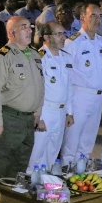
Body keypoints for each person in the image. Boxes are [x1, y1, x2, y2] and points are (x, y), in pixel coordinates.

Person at [0, 16, 45, 183]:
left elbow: (40, 85)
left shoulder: (33, 54)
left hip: (28, 120)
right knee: (2, 166)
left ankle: (13, 198)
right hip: (10, 119)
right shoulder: (3, 56)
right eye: (24, 27)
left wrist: (37, 112)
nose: (29, 31)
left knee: (20, 165)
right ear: (12, 33)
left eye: (30, 27)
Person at [60, 3, 102, 164]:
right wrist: (69, 108)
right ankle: (67, 170)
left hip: (97, 98)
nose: (97, 20)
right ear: (82, 18)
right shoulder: (73, 42)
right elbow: (65, 76)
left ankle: (81, 171)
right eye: (92, 15)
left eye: (100, 16)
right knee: (72, 140)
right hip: (79, 96)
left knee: (87, 141)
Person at [28, 21, 74, 169]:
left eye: (63, 33)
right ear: (46, 37)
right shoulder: (39, 57)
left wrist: (69, 112)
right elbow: (35, 89)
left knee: (52, 152)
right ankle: (30, 178)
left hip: (60, 112)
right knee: (37, 151)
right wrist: (38, 116)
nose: (63, 37)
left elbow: (69, 87)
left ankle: (45, 179)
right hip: (46, 111)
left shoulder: (66, 57)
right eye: (58, 34)